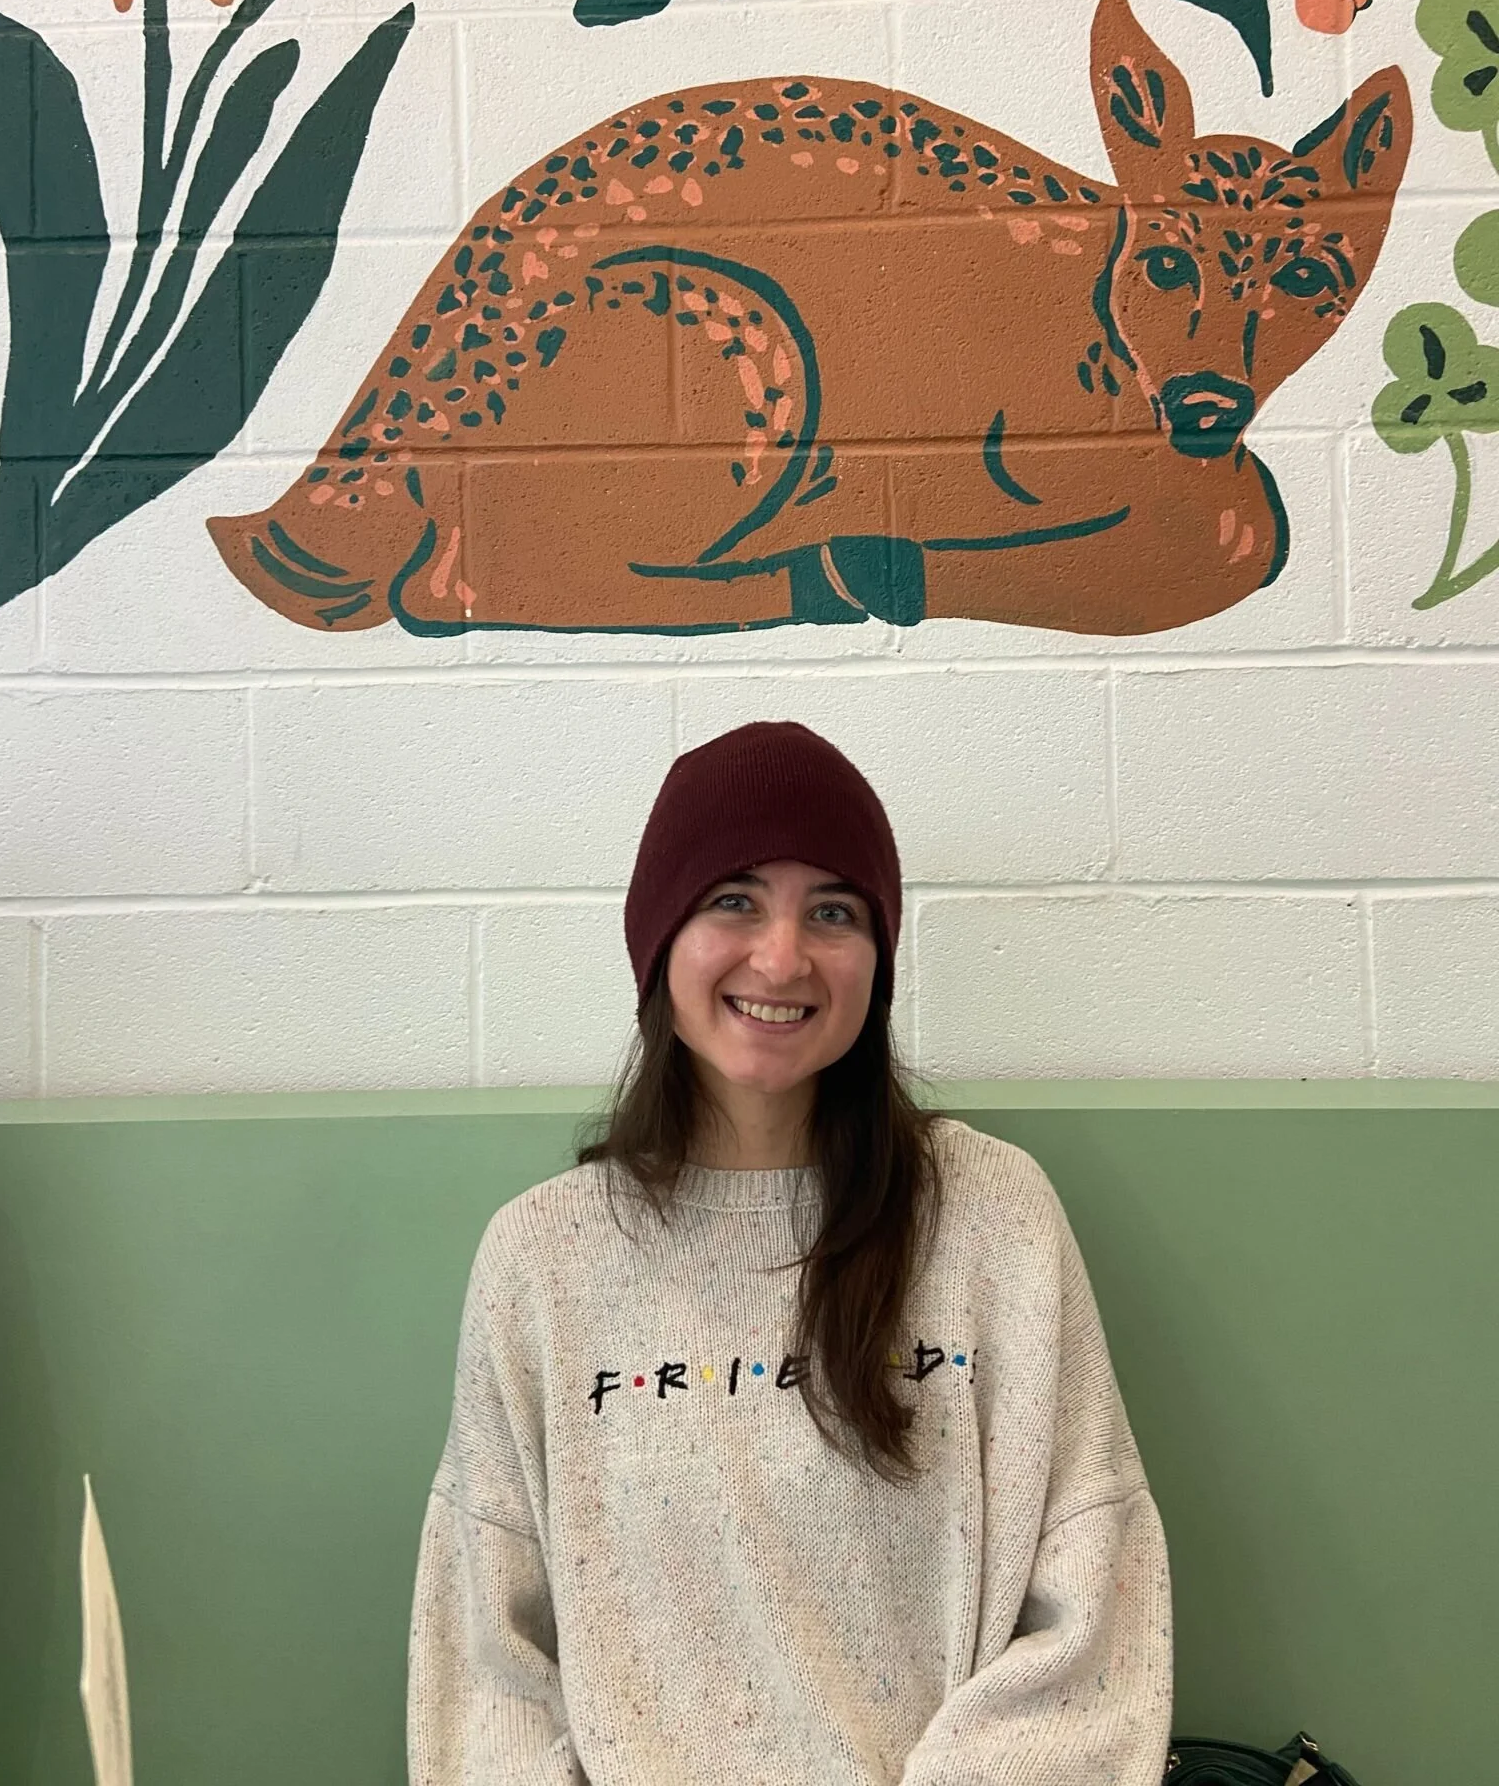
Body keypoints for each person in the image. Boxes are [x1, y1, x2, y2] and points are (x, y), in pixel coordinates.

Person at [408, 720, 1173, 1784]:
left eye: (833, 910)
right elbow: (485, 1668)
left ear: (879, 958)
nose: (781, 956)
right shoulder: (541, 1257)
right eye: (734, 899)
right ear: (660, 938)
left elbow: (1097, 1614)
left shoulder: (993, 1217)